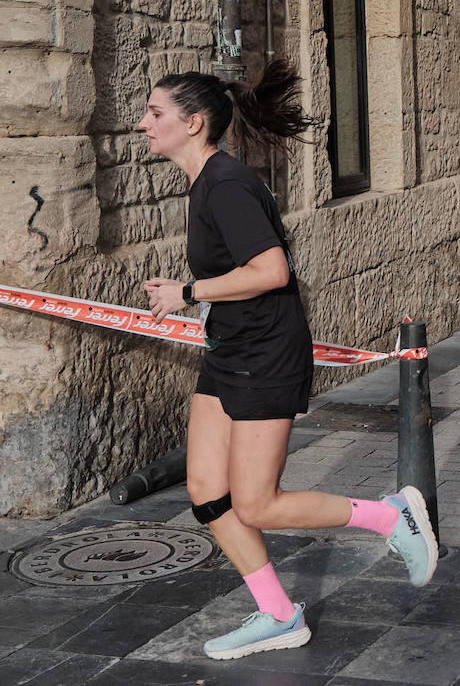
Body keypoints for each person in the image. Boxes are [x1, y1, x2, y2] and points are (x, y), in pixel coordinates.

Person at [137, 62, 438, 661]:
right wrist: (197, 295)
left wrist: (189, 294)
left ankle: (390, 516)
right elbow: (242, 271)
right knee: (207, 493)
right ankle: (278, 614)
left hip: (266, 356)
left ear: (193, 124)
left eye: (156, 113)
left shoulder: (225, 184)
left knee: (256, 503)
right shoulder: (206, 183)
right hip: (229, 350)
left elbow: (272, 270)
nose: (144, 123)